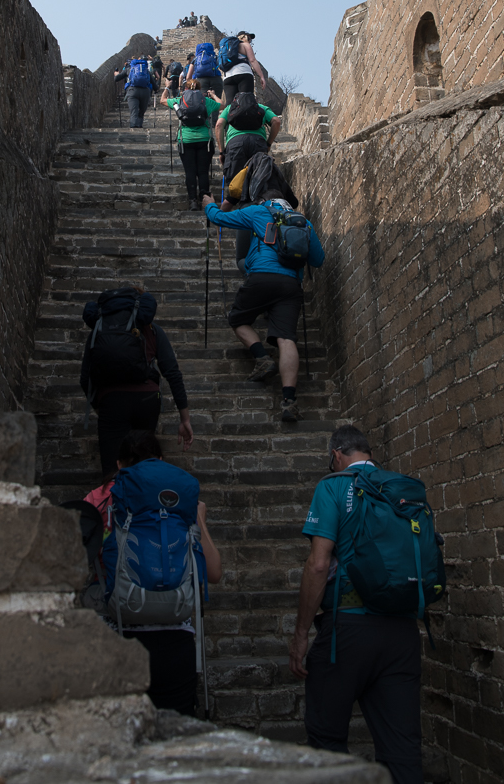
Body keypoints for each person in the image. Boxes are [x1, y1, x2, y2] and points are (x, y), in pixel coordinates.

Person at [288, 426, 423, 784]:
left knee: (327, 739)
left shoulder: (332, 486)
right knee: (402, 747)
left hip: (347, 631)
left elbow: (319, 564)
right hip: (402, 631)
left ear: (336, 456)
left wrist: (301, 633)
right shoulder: (401, 487)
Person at [95, 430, 222, 717]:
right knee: (176, 747)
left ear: (119, 465)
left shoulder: (101, 500)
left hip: (122, 634)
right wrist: (199, 520)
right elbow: (213, 573)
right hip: (177, 641)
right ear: (161, 461)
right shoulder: (179, 503)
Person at [201, 194, 324, 422]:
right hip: (290, 285)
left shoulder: (258, 212)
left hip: (261, 277)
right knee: (286, 339)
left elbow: (220, 218)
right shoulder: (303, 222)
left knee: (238, 319)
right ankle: (289, 400)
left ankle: (262, 357)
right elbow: (318, 260)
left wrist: (209, 205)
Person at [79, 286, 194, 473]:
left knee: (112, 468)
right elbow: (172, 373)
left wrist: (100, 406)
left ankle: (113, 498)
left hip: (111, 401)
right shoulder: (152, 330)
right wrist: (185, 418)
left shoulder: (99, 331)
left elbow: (85, 378)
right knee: (144, 463)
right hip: (147, 400)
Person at [161, 79, 221, 210]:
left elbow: (162, 100)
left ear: (185, 89)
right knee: (203, 172)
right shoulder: (206, 101)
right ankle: (205, 200)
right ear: (199, 89)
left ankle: (193, 201)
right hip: (205, 141)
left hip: (186, 140)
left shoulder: (180, 100)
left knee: (190, 171)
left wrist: (167, 88)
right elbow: (222, 104)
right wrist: (213, 95)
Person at [215, 94, 281, 187]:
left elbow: (219, 125)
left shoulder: (230, 108)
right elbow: (276, 121)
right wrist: (268, 144)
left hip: (235, 144)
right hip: (258, 143)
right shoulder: (261, 108)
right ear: (255, 100)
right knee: (259, 180)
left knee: (235, 183)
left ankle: (235, 200)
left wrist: (221, 151)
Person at [220, 30, 266, 105]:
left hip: (228, 76)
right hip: (243, 73)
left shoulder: (227, 48)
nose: (250, 41)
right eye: (249, 38)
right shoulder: (245, 45)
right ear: (244, 37)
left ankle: (227, 116)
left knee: (230, 103)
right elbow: (252, 60)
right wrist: (262, 76)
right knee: (246, 100)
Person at [123, 56, 153, 128]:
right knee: (141, 112)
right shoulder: (146, 71)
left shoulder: (129, 69)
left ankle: (133, 129)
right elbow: (154, 85)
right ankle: (139, 126)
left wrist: (116, 74)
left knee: (134, 112)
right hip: (145, 92)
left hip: (132, 91)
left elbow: (116, 78)